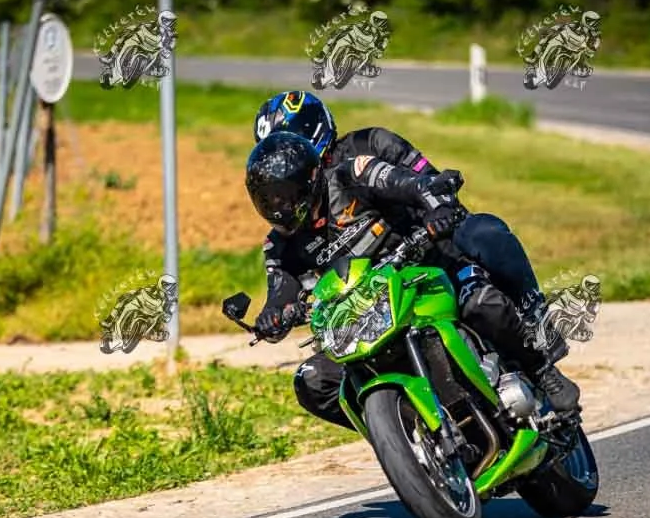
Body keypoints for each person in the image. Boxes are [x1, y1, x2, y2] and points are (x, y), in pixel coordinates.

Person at [244, 131, 582, 433]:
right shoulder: (277, 245)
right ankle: (401, 431)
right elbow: (280, 293)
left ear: (309, 178)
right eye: (267, 200)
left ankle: (541, 370)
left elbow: (413, 185)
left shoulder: (353, 174)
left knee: (483, 304)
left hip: (426, 273)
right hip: (362, 319)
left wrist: (437, 208)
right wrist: (272, 317)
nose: (278, 207)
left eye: (283, 195)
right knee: (313, 381)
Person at [251, 91, 550, 330]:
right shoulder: (296, 214)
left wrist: (437, 212)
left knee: (482, 231)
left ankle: (534, 314)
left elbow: (429, 183)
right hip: (369, 293)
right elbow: (288, 280)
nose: (282, 158)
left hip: (430, 242)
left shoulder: (371, 144)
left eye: (288, 143)